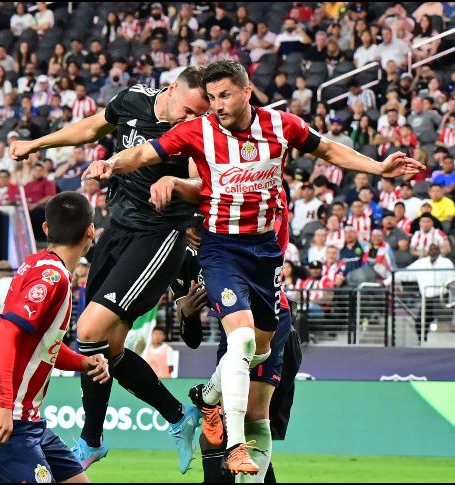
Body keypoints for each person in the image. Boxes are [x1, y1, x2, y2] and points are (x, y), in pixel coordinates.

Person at [83, 58, 424, 475]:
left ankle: (210, 397)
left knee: (257, 352)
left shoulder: (282, 127)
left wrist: (377, 167)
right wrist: (111, 164)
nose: (217, 105)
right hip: (222, 250)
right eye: (211, 98)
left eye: (224, 95)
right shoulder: (198, 131)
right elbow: (144, 152)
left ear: (247, 91)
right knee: (243, 345)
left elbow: (330, 149)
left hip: (265, 258)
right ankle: (234, 444)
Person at [10, 66, 210, 473]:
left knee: (87, 330)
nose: (192, 120)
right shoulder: (134, 100)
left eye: (199, 115)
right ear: (171, 90)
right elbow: (92, 127)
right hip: (117, 230)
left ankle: (91, 440)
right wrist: (38, 143)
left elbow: (200, 179)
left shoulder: (196, 132)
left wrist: (183, 194)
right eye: (189, 110)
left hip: (159, 235)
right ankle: (178, 416)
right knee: (108, 350)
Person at [0, 192, 110, 484]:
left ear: (46, 229)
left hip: (28, 421)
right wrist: (5, 404)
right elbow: (4, 335)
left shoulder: (35, 265)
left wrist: (84, 363)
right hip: (2, 416)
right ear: (90, 231)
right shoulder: (53, 278)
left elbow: (42, 347)